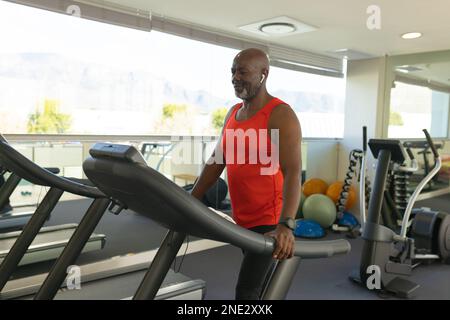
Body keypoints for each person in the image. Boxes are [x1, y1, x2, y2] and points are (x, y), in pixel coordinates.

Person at [191, 48, 302, 300]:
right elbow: (217, 161)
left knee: (248, 291)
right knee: (261, 289)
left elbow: (293, 172)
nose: (235, 77)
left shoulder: (280, 114)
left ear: (264, 74)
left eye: (242, 71)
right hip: (242, 217)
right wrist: (192, 198)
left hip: (268, 221)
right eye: (232, 71)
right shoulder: (233, 113)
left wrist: (286, 224)